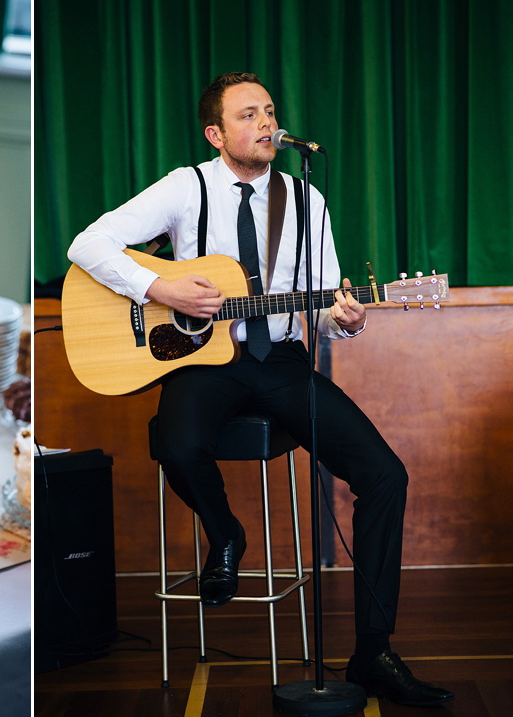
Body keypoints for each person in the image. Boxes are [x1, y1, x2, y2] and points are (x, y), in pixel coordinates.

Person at [66, 72, 453, 708]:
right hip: (202, 363)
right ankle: (226, 534)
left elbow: (327, 302)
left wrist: (347, 319)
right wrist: (157, 289)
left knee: (387, 476)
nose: (266, 124)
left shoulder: (306, 200)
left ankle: (373, 654)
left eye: (269, 112)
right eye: (248, 115)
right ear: (216, 133)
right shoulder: (185, 188)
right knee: (177, 442)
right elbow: (88, 244)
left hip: (282, 365)